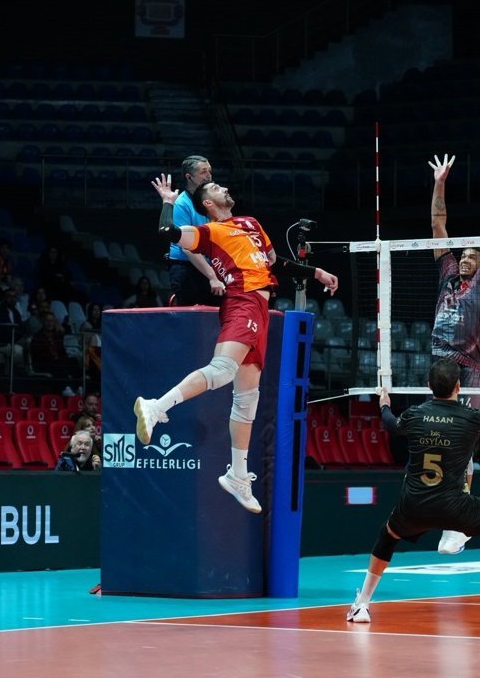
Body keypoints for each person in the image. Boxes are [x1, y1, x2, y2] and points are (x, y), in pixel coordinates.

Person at [135, 175, 338, 513]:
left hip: (261, 307)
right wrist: (168, 201)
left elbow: (274, 263)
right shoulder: (209, 232)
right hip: (242, 301)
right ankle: (157, 407)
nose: (223, 187)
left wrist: (315, 272)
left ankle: (238, 476)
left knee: (247, 399)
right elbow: (168, 232)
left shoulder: (251, 223)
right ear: (208, 204)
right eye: (215, 188)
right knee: (222, 371)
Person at [345, 370, 480, 626]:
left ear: (429, 385)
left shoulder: (414, 414)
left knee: (387, 536)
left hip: (413, 507)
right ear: (459, 386)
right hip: (455, 508)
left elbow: (390, 423)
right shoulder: (472, 417)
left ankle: (361, 604)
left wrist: (384, 404)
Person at [424, 153, 480, 555]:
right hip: (439, 364)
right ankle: (448, 511)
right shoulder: (447, 275)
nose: (467, 259)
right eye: (464, 255)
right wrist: (440, 182)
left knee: (463, 442)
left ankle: (459, 522)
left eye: (474, 256)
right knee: (437, 439)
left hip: (468, 370)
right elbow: (438, 225)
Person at [164, 155, 225, 307]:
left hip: (209, 265)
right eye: (203, 172)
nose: (209, 176)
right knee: (191, 317)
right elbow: (188, 247)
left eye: (209, 171)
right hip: (186, 268)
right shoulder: (181, 204)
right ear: (189, 177)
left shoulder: (211, 201)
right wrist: (212, 277)